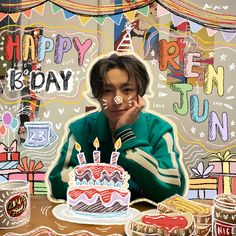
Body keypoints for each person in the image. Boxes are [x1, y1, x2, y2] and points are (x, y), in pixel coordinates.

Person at [47, 53, 187, 203]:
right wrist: (111, 186)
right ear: (98, 96)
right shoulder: (81, 129)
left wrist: (125, 132)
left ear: (139, 95)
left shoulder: (159, 129)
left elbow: (172, 190)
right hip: (94, 220)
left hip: (143, 220)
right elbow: (58, 183)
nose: (117, 99)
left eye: (127, 90)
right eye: (108, 91)